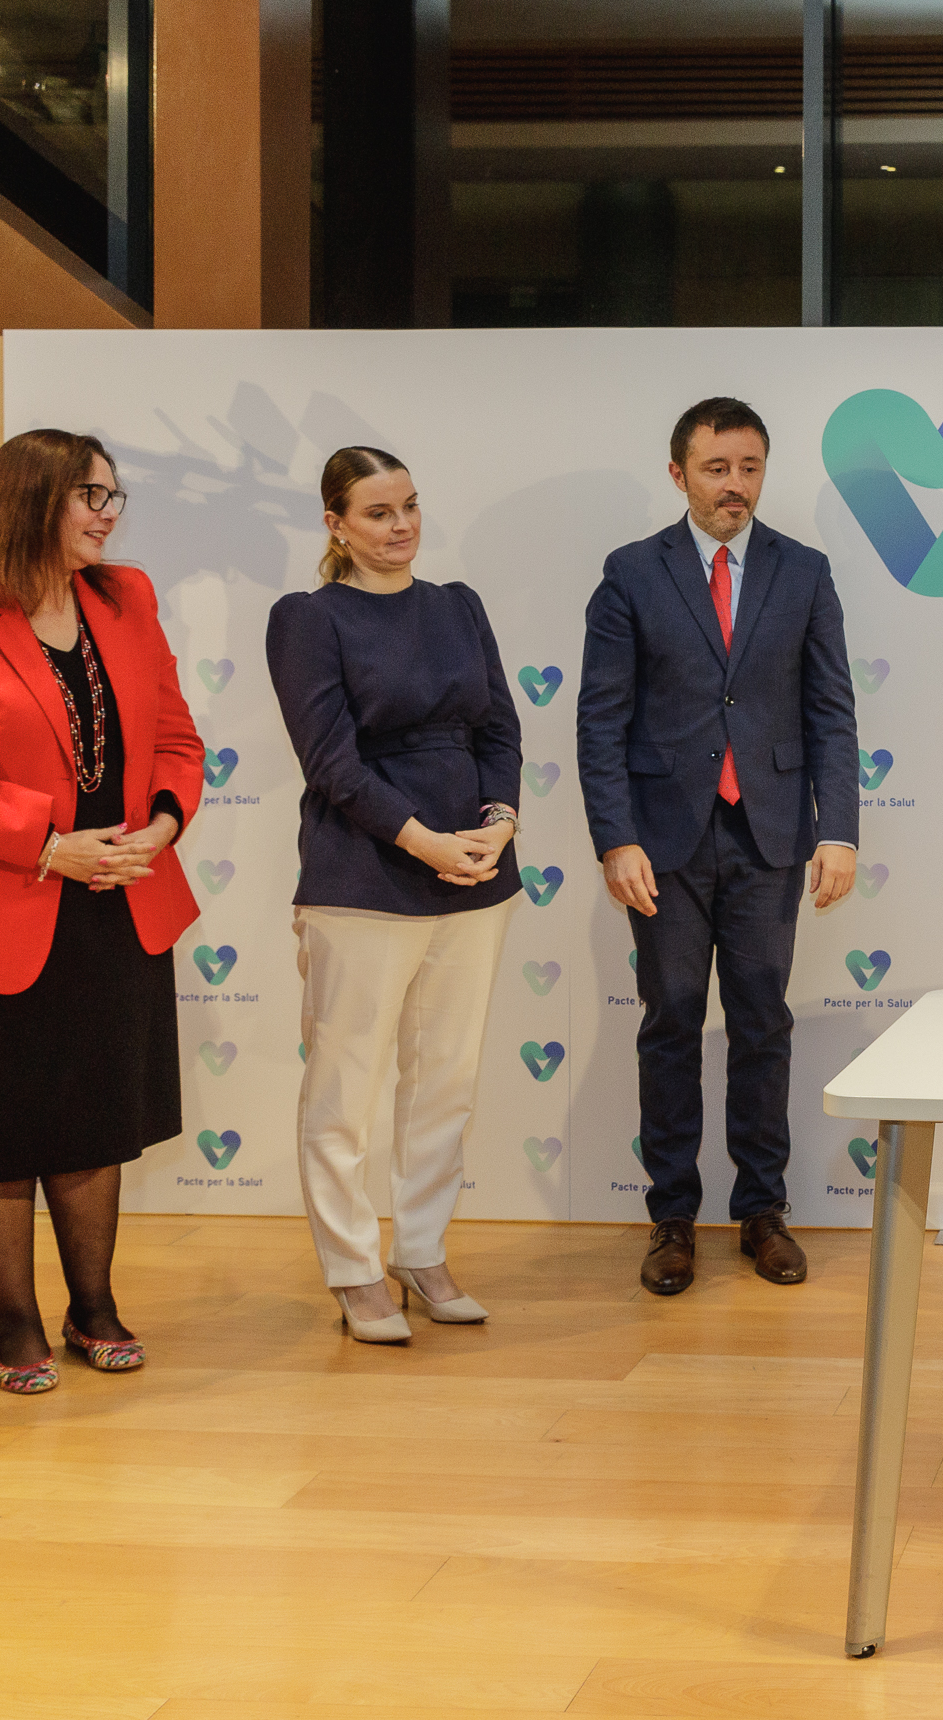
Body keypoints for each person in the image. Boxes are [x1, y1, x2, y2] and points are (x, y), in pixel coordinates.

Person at [0, 430, 203, 1392]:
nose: (108, 512)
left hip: (115, 900)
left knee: (95, 1118)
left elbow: (176, 738)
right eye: (89, 495)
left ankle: (92, 1304)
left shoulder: (126, 596)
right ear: (29, 499)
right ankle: (16, 1320)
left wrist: (162, 826)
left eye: (113, 495)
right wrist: (48, 844)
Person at [578, 397, 858, 1297]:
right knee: (669, 1023)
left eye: (749, 468)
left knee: (762, 1023)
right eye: (716, 468)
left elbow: (831, 711)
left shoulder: (804, 571)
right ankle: (671, 1217)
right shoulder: (631, 572)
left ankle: (762, 1211)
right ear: (679, 474)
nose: (734, 485)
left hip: (769, 833)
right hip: (662, 840)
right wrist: (615, 837)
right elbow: (600, 719)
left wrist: (838, 828)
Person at [266, 447, 522, 1345]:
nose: (402, 525)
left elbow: (499, 726)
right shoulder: (308, 618)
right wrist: (423, 840)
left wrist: (499, 820)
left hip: (476, 875)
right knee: (346, 1086)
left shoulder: (459, 605)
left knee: (446, 1079)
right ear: (335, 524)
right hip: (363, 876)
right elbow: (330, 762)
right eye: (378, 512)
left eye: (409, 505)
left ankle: (421, 1249)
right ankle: (353, 1267)